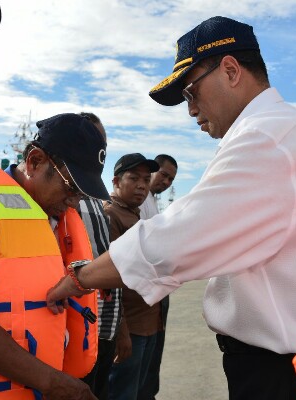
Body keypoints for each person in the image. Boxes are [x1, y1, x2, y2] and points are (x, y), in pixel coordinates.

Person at [46, 16, 296, 400]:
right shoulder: (283, 132)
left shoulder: (265, 140)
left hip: (289, 372)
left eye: (191, 92)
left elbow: (173, 240)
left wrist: (79, 278)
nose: (191, 109)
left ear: (231, 70)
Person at [0, 113, 108, 400]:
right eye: (71, 186)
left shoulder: (51, 217)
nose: (74, 201)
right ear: (35, 161)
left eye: (82, 194)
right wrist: (53, 382)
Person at [104, 153, 160, 400]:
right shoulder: (111, 215)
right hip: (131, 328)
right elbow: (110, 281)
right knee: (122, 394)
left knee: (138, 392)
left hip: (148, 325)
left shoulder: (136, 216)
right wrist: (121, 331)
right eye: (134, 178)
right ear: (116, 181)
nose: (142, 186)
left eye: (146, 180)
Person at [76, 113, 122, 400]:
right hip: (75, 328)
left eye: (103, 142)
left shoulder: (99, 200)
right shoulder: (58, 196)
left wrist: (121, 330)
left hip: (105, 328)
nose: (99, 149)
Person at [138, 154, 177, 400]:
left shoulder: (151, 201)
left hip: (157, 295)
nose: (166, 181)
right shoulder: (139, 201)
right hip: (142, 295)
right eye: (163, 174)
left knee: (151, 363)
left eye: (171, 179)